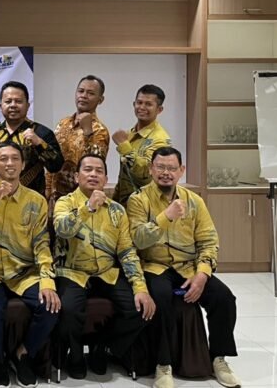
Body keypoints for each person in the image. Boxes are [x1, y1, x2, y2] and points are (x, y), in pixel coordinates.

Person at [127, 147, 240, 388]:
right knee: (160, 298)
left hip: (189, 266)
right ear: (151, 169)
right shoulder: (138, 200)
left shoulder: (194, 201)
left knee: (224, 298)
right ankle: (163, 364)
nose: (166, 173)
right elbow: (137, 239)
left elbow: (209, 241)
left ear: (181, 171)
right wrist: (165, 217)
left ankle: (218, 358)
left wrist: (202, 275)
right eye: (160, 167)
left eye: (171, 168)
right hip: (155, 266)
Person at [0, 141, 60, 388]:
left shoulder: (36, 200)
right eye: (3, 159)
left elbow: (42, 244)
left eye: (15, 159)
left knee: (50, 306)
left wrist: (47, 281)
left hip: (24, 273)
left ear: (23, 164)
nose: (9, 164)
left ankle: (23, 354)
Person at [53, 154, 155, 379]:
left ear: (106, 179)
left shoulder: (117, 210)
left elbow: (126, 251)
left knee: (140, 310)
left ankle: (103, 345)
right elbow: (63, 230)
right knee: (68, 310)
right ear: (77, 176)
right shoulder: (64, 202)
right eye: (88, 170)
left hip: (107, 272)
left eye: (99, 171)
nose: (93, 174)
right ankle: (75, 355)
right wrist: (87, 207)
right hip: (72, 271)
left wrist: (140, 288)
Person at [0, 80, 64, 196]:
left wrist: (39, 144)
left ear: (27, 106)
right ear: (0, 106)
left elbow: (56, 166)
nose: (13, 105)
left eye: (18, 101)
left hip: (31, 201)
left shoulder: (42, 132)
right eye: (8, 101)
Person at [45, 75, 110, 208]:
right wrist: (47, 188)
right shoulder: (63, 124)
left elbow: (95, 167)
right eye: (81, 91)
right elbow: (52, 159)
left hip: (82, 201)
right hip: (55, 197)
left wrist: (88, 133)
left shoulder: (100, 130)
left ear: (100, 100)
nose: (84, 96)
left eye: (90, 93)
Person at [111, 84, 172, 206]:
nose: (142, 107)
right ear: (134, 104)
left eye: (148, 104)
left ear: (159, 109)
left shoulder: (161, 139)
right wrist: (114, 202)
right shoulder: (130, 134)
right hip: (125, 204)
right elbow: (124, 177)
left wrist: (124, 146)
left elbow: (148, 174)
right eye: (139, 103)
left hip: (147, 206)